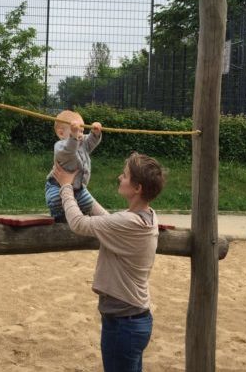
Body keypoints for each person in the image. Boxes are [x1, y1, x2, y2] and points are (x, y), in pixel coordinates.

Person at [52, 152, 166, 372]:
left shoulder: (128, 221)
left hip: (124, 324)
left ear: (137, 188)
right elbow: (108, 220)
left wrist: (65, 187)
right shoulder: (147, 215)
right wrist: (81, 192)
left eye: (124, 176)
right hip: (134, 320)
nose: (119, 178)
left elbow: (78, 223)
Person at [45, 110, 102, 222]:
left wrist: (95, 133)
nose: (80, 135)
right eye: (75, 131)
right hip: (57, 187)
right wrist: (73, 137)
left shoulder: (82, 142)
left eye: (81, 131)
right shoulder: (60, 147)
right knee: (55, 201)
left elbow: (91, 141)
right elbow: (69, 150)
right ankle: (61, 216)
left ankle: (83, 213)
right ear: (61, 133)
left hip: (79, 189)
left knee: (93, 206)